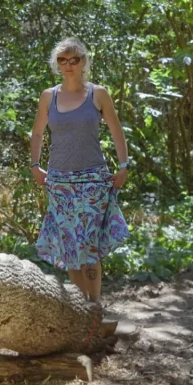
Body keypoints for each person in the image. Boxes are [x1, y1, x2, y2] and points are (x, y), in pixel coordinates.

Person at [29, 37, 129, 302]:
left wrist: (123, 166)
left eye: (74, 59)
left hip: (94, 180)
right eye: (63, 60)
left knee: (89, 246)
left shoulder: (98, 94)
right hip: (60, 181)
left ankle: (94, 307)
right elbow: (37, 134)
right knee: (70, 247)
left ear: (84, 61)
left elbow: (116, 131)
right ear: (57, 64)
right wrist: (35, 166)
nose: (69, 65)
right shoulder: (48, 97)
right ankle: (79, 309)